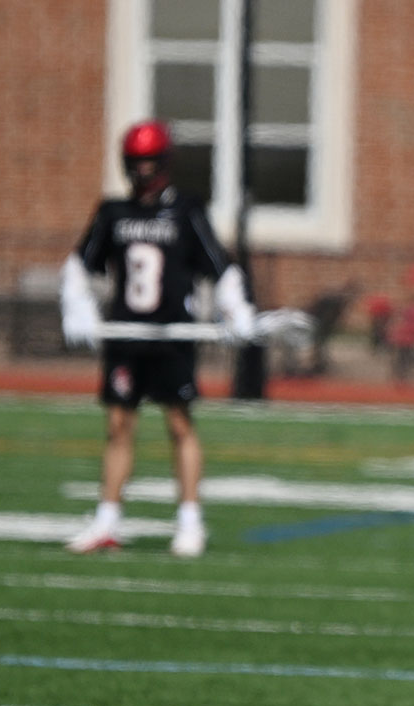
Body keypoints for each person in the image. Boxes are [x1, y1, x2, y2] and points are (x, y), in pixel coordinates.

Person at [59, 119, 256, 557]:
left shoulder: (186, 210)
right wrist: (77, 305)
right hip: (127, 335)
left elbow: (220, 266)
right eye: (137, 162)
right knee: (118, 425)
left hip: (172, 335)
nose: (143, 171)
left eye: (150, 162)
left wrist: (235, 307)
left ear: (164, 162)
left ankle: (190, 521)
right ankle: (107, 521)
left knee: (179, 423)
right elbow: (79, 266)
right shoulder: (114, 212)